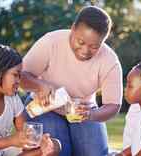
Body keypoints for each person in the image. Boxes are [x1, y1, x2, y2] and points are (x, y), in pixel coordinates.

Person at [21, 6, 123, 156]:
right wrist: (40, 85)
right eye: (80, 42)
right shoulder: (51, 41)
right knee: (58, 151)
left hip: (84, 109)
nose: (85, 51)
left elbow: (113, 105)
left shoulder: (110, 61)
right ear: (73, 28)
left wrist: (91, 115)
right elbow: (21, 77)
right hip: (44, 107)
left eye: (94, 46)